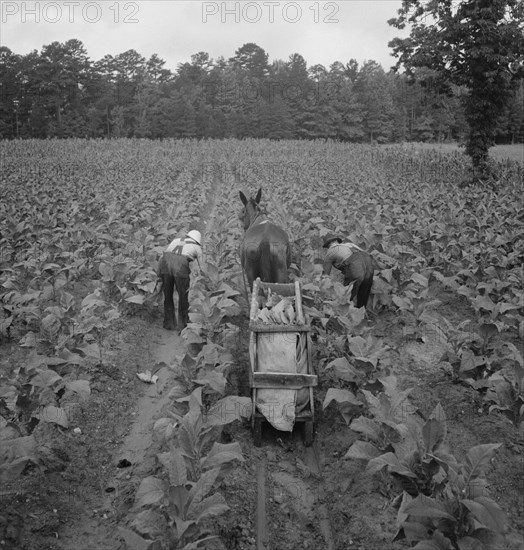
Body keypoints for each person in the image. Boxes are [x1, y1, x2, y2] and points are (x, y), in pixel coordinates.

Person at [158, 229, 203, 331]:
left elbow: (163, 255)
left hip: (166, 263)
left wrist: (159, 272)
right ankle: (183, 325)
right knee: (183, 295)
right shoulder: (197, 247)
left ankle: (169, 323)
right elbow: (202, 266)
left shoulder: (176, 240)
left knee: (168, 295)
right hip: (180, 266)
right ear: (197, 240)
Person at [322, 233, 374, 308]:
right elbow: (365, 253)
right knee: (365, 287)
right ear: (336, 241)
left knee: (347, 293)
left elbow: (326, 275)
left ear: (327, 245)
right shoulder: (348, 245)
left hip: (354, 265)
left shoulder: (330, 252)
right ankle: (361, 310)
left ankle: (345, 311)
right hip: (367, 260)